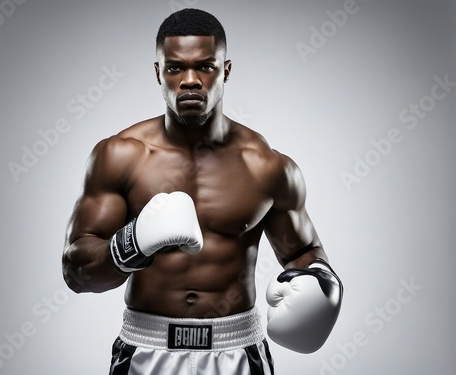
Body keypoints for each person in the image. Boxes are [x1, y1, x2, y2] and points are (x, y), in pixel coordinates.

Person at [62, 8, 343, 375]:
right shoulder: (118, 156)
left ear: (225, 70)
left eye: (205, 67)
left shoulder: (268, 166)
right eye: (175, 67)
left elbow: (304, 251)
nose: (190, 80)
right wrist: (134, 242)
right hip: (147, 349)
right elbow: (76, 271)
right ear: (158, 72)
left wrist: (321, 280)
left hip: (238, 350)